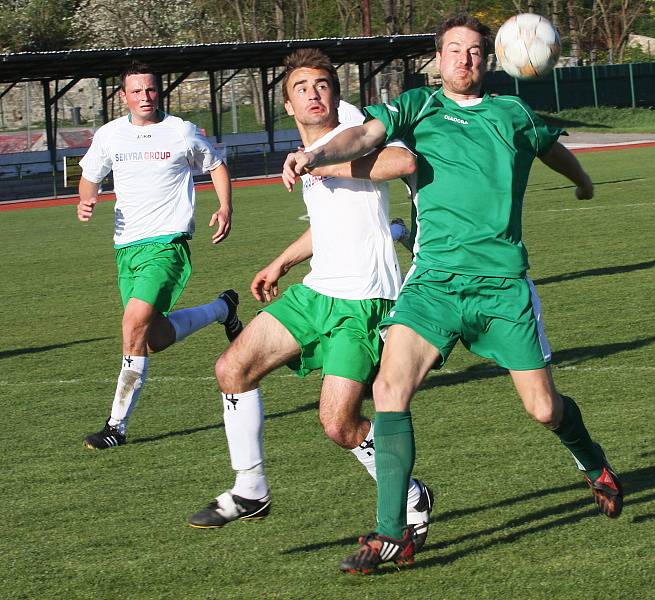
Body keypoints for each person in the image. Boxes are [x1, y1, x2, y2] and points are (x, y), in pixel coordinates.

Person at [282, 14, 624, 574]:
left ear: (488, 61)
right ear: (437, 60)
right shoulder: (417, 106)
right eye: (454, 51)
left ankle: (594, 465)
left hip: (501, 286)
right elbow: (366, 134)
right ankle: (393, 533)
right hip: (435, 282)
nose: (464, 60)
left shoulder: (512, 113)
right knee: (390, 388)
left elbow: (549, 147)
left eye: (474, 53)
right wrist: (317, 154)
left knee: (543, 410)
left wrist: (582, 181)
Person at [188, 49, 434, 551]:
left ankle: (411, 494)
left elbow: (403, 160)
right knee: (232, 369)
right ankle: (251, 489)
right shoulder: (306, 148)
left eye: (323, 84)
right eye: (302, 88)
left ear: (336, 93)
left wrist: (327, 161)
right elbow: (329, 226)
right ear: (288, 103)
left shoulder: (350, 126)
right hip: (318, 291)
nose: (314, 93)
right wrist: (281, 262)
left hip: (364, 300)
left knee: (339, 425)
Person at [77, 62, 242, 450]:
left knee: (132, 322)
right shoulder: (110, 135)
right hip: (126, 247)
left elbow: (216, 165)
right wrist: (86, 198)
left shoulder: (180, 131)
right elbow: (90, 174)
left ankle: (116, 425)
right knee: (151, 338)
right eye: (137, 91)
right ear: (124, 96)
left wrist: (225, 207)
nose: (145, 97)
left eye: (150, 90)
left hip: (166, 245)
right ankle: (222, 309)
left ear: (159, 91)